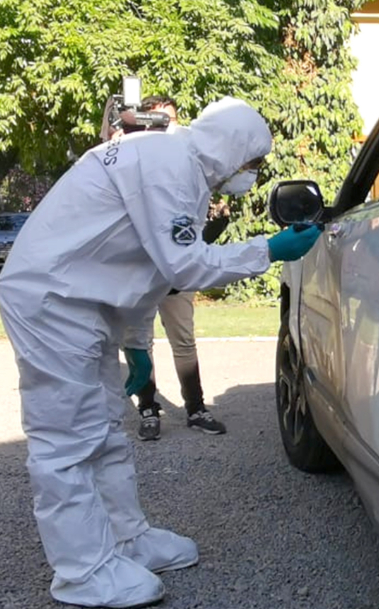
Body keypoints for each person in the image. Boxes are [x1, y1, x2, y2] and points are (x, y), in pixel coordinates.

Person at [0, 96, 321, 609]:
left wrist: (135, 344)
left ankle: (125, 539)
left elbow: (146, 271)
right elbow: (184, 266)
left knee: (103, 427)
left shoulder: (175, 165)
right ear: (232, 149)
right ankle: (81, 571)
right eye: (253, 164)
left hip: (83, 302)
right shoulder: (168, 166)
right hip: (52, 300)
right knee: (65, 439)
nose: (251, 176)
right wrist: (268, 250)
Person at [126, 95, 229, 441]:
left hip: (177, 274)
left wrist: (216, 225)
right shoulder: (132, 161)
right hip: (140, 272)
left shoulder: (188, 166)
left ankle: (196, 408)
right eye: (156, 122)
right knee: (139, 341)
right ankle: (148, 409)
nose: (165, 129)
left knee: (183, 340)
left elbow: (191, 232)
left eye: (170, 121)